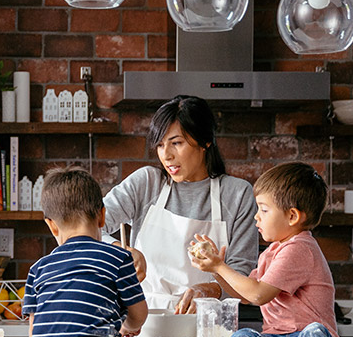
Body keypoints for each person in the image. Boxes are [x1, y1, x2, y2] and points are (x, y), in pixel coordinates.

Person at [188, 162, 350, 337]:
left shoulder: (300, 248)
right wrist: (216, 271)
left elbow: (258, 294)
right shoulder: (273, 251)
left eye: (264, 210)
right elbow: (246, 296)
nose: (256, 217)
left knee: (317, 332)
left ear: (292, 216)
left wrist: (221, 267)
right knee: (244, 336)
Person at [22, 167, 180, 337]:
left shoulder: (37, 268)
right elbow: (139, 315)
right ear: (102, 216)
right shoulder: (118, 257)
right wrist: (127, 326)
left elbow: (34, 330)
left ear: (51, 225)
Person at [101, 95, 259, 313]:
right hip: (144, 322)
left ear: (205, 141)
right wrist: (120, 251)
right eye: (160, 145)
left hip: (207, 323)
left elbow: (243, 277)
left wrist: (208, 290)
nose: (166, 155)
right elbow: (85, 227)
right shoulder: (147, 183)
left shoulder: (237, 194)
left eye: (176, 143)